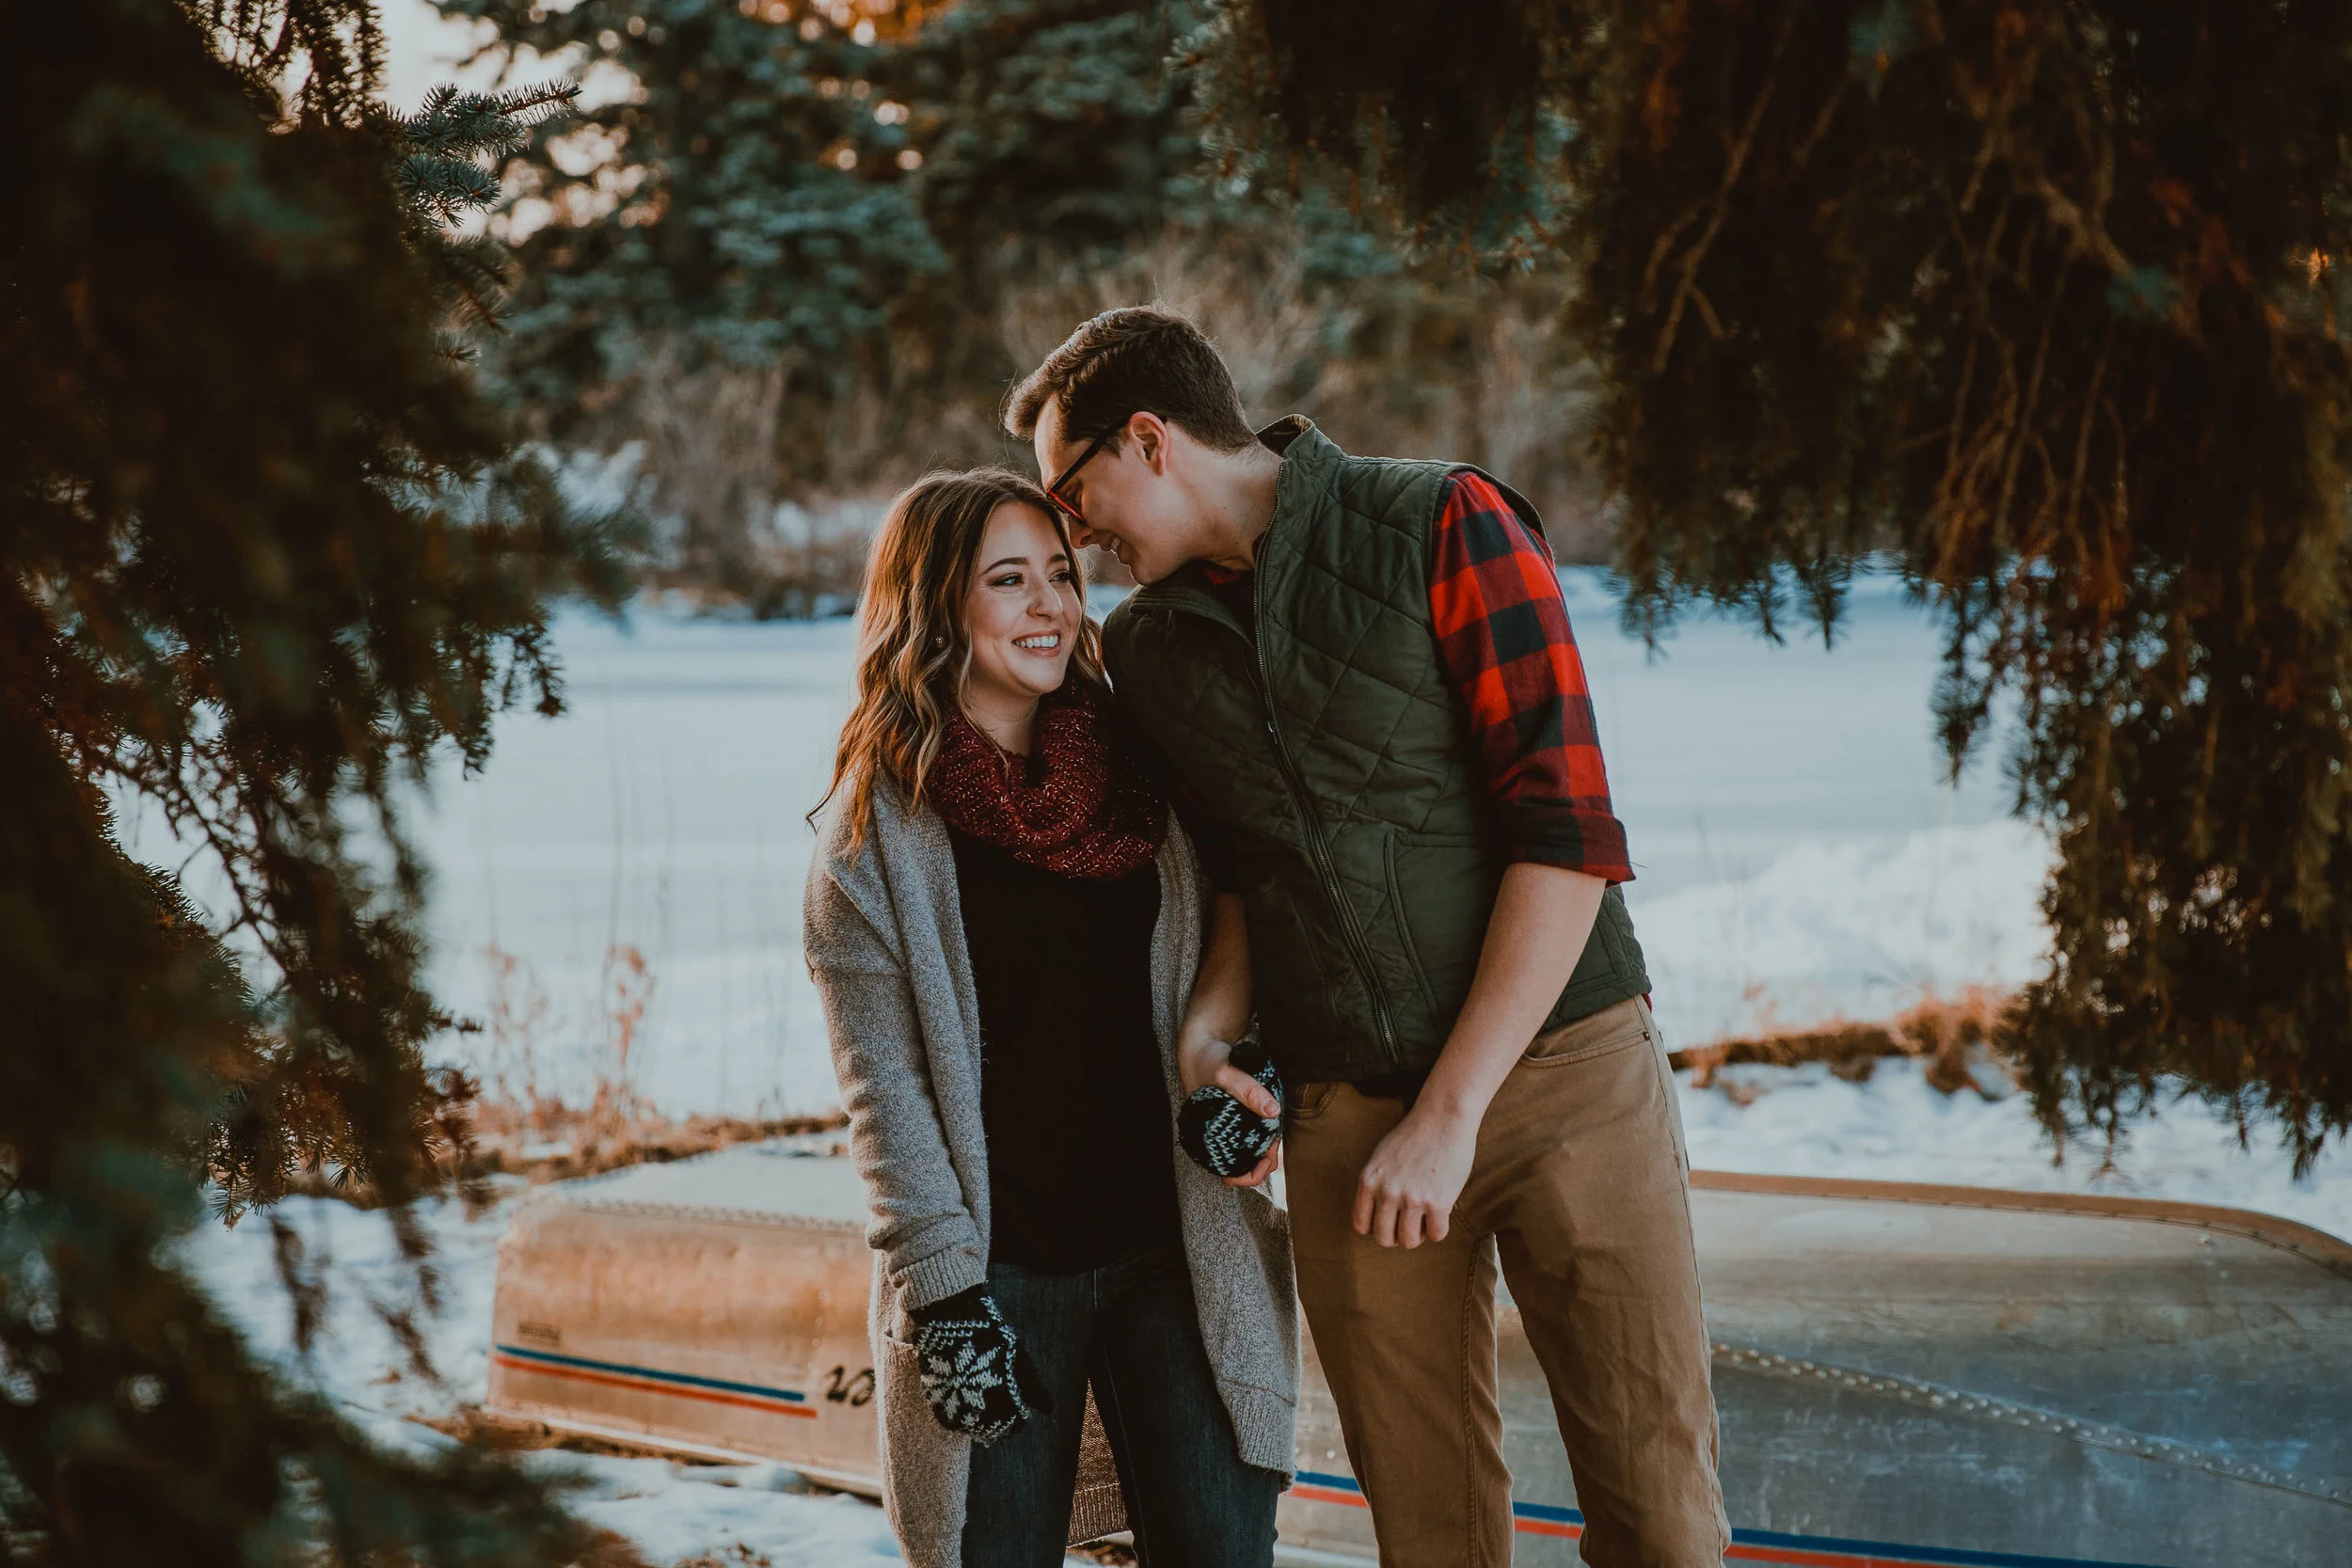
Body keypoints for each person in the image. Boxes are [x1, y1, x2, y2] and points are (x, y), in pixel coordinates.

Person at [1006, 309, 1732, 1568]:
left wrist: (1451, 1114)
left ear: (1151, 438)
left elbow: (1563, 835)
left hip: (1565, 1072)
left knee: (1657, 1511)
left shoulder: (1445, 522)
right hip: (1348, 1112)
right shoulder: (1154, 646)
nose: (1077, 535)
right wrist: (1213, 1030)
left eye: (1075, 493)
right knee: (1429, 1533)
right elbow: (1239, 868)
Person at [803, 467, 1298, 1568]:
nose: (1051, 606)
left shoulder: (1145, 777)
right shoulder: (871, 842)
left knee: (1223, 1547)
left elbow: (1238, 929)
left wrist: (1244, 1076)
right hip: (1000, 1273)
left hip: (1173, 1248)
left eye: (1063, 576)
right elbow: (883, 1095)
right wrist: (944, 1301)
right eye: (1009, 579)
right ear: (935, 606)